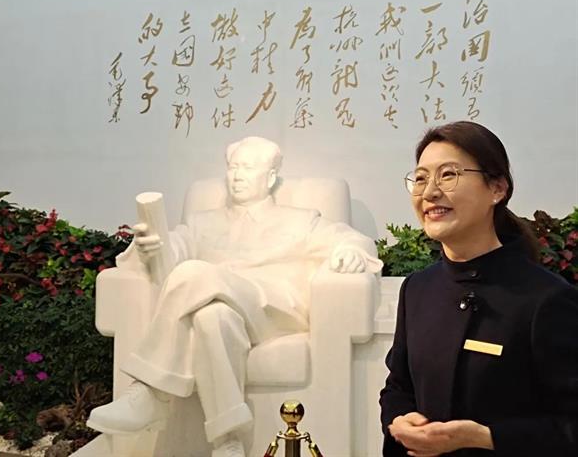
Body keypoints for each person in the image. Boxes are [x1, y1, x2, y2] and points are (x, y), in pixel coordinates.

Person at [88, 136, 382, 457]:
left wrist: (350, 252)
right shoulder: (202, 223)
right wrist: (150, 248)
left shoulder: (300, 219)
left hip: (274, 309)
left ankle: (151, 390)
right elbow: (169, 257)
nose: (237, 176)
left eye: (248, 168)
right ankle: (227, 441)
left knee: (193, 273)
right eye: (233, 167)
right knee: (212, 318)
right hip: (224, 307)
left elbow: (355, 240)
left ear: (270, 177)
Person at [379, 121, 578, 457]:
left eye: (448, 175)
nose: (430, 192)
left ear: (497, 188)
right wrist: (399, 419)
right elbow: (397, 387)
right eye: (421, 178)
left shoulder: (546, 299)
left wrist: (486, 437)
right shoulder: (417, 289)